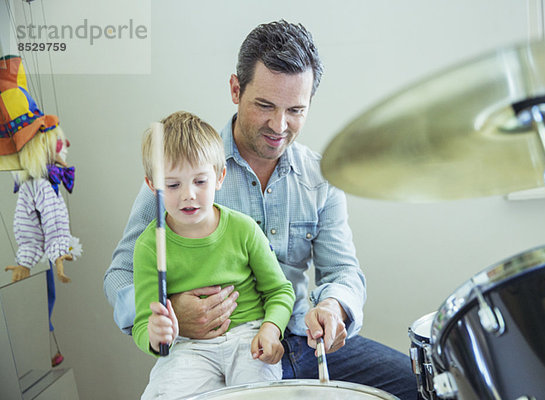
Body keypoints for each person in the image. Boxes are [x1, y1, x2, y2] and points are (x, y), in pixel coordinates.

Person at [104, 20, 418, 399]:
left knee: (419, 384)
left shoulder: (320, 178)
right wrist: (171, 312)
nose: (279, 125)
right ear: (236, 89)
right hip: (222, 347)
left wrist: (334, 307)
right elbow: (121, 273)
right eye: (265, 105)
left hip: (305, 338)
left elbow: (344, 271)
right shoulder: (183, 171)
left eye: (296, 110)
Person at [133, 111, 295, 398]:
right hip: (188, 346)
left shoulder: (243, 229)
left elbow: (280, 291)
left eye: (200, 181)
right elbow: (144, 323)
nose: (188, 195)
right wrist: (155, 336)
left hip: (248, 336)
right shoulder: (148, 247)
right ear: (152, 186)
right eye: (172, 185)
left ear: (220, 177)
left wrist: (271, 329)